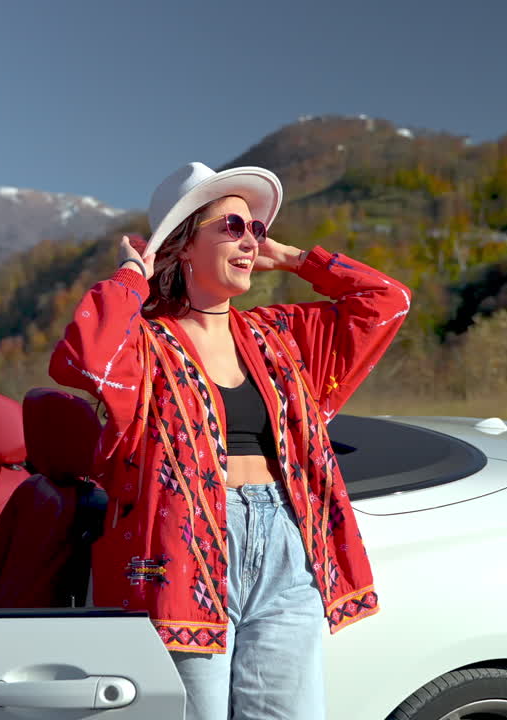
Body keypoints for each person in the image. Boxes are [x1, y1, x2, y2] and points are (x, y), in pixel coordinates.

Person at [49, 162, 410, 719]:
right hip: (181, 556)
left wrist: (295, 259)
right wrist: (132, 276)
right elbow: (86, 355)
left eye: (256, 230)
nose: (250, 241)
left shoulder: (277, 335)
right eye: (232, 228)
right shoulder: (147, 344)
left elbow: (385, 303)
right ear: (185, 246)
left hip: (288, 549)